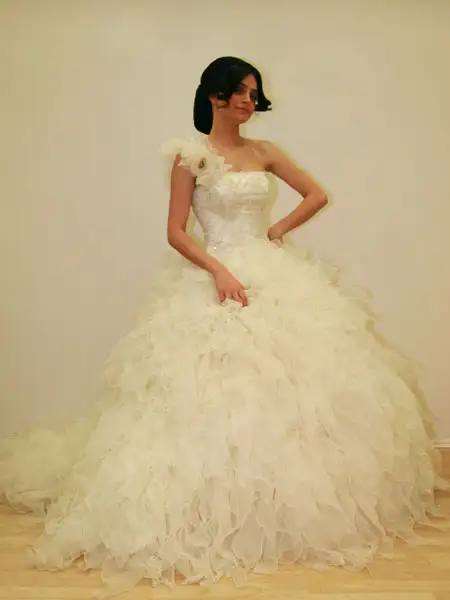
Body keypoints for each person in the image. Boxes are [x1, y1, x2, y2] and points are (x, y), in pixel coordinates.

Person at [0, 56, 447, 597]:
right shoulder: (191, 157)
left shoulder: (265, 151)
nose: (248, 101)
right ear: (215, 96)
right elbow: (175, 230)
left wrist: (275, 232)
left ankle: (283, 511)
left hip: (267, 270)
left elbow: (316, 194)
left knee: (296, 386)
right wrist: (217, 269)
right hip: (216, 271)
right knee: (205, 390)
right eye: (240, 92)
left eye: (253, 93)